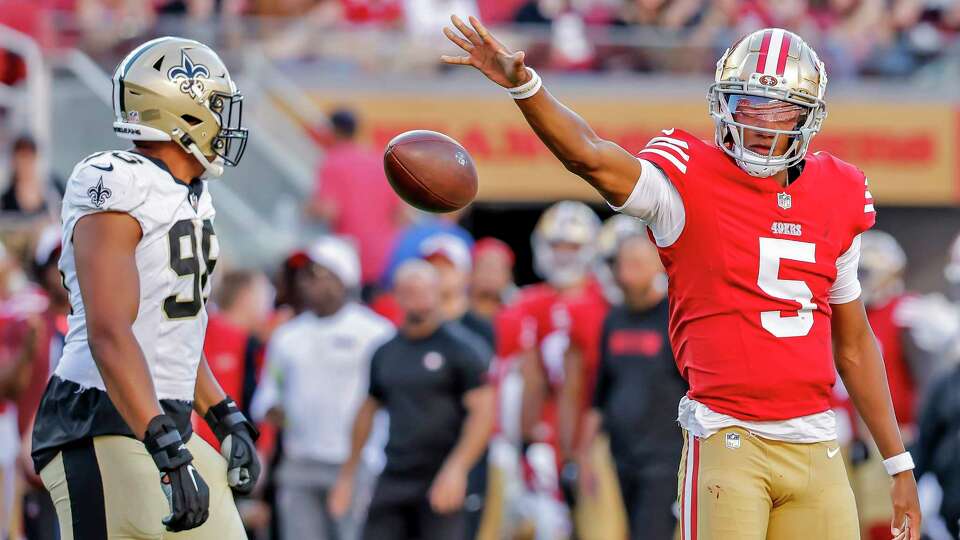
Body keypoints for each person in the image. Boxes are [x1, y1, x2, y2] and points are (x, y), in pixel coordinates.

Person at [443, 19, 922, 539]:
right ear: (722, 104)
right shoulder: (685, 180)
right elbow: (589, 155)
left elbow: (854, 344)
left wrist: (898, 463)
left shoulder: (840, 192)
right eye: (746, 104)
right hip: (728, 438)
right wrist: (526, 88)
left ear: (809, 116)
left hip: (818, 441)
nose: (761, 123)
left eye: (778, 108)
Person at [29, 37, 260, 538]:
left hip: (157, 420)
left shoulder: (191, 196)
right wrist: (168, 452)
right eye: (216, 105)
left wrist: (224, 416)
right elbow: (110, 332)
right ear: (183, 109)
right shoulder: (116, 179)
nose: (226, 120)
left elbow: (170, 326)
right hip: (101, 418)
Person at [329, 259, 495, 540]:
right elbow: (368, 409)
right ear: (396, 295)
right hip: (395, 472)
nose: (418, 299)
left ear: (436, 292)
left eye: (424, 291)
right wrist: (348, 474)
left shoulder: (462, 349)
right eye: (409, 292)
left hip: (440, 473)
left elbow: (484, 413)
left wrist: (457, 468)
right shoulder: (386, 351)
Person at [251, 236, 394, 540]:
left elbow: (388, 399)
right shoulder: (287, 336)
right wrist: (273, 409)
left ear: (344, 278)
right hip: (299, 460)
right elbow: (266, 394)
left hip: (355, 463)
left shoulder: (375, 333)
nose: (306, 282)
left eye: (318, 273)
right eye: (304, 274)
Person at [578, 232, 685, 540]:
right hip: (621, 454)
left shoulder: (673, 316)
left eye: (636, 264)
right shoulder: (614, 319)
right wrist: (584, 456)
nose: (626, 274)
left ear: (657, 267)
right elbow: (600, 393)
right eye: (623, 264)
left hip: (664, 456)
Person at [306, 108, 407, 291]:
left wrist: (306, 211)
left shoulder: (332, 161)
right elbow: (400, 214)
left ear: (332, 131)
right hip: (386, 256)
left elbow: (329, 210)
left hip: (350, 259)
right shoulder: (378, 160)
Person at [192, 269, 272, 449]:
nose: (267, 306)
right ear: (246, 297)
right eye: (264, 297)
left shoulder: (254, 343)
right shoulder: (205, 331)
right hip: (218, 449)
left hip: (225, 449)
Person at [0, 135, 56, 218]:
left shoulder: (52, 190)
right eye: (21, 157)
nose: (25, 163)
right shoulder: (6, 200)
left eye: (28, 156)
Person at [468, 237, 517, 322]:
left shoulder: (517, 313)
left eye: (497, 268)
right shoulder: (455, 312)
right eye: (485, 266)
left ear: (509, 276)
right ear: (470, 272)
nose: (490, 274)